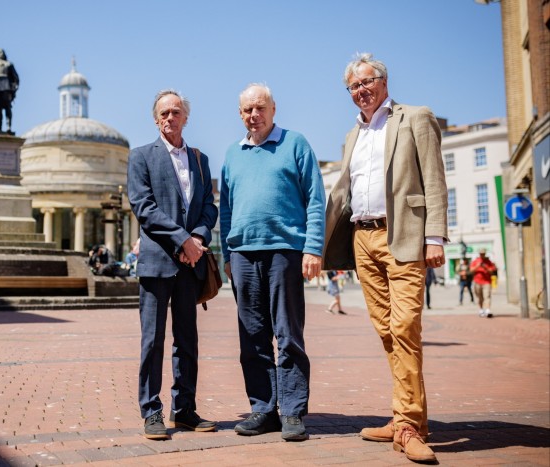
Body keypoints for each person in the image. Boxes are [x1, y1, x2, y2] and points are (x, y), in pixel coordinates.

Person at [323, 53, 448, 464]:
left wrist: (435, 236)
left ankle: (409, 425)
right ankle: (403, 417)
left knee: (406, 324)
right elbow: (344, 191)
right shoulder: (351, 136)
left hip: (405, 235)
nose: (360, 91)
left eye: (366, 82)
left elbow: (433, 176)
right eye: (353, 87)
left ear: (383, 80)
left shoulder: (415, 117)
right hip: (362, 239)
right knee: (387, 331)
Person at [220, 84, 325, 441]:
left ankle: (293, 411)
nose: (254, 114)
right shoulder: (233, 154)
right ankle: (263, 409)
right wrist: (226, 255)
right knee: (252, 335)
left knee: (288, 333)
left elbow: (315, 198)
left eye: (260, 107)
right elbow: (226, 209)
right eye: (247, 109)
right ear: (240, 114)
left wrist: (312, 248)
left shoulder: (295, 143)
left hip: (285, 251)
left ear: (273, 108)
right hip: (243, 254)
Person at [127, 89, 218, 440]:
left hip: (189, 265)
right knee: (152, 340)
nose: (170, 118)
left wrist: (197, 238)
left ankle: (185, 410)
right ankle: (151, 411)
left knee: (187, 341)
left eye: (176, 112)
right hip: (156, 263)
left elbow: (209, 206)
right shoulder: (141, 157)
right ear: (155, 118)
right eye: (164, 113)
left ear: (185, 117)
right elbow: (144, 206)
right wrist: (182, 239)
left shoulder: (199, 159)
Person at [470, 248, 497, 318]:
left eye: (483, 254)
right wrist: (477, 266)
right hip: (477, 282)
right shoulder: (475, 261)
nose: (482, 255)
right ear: (479, 254)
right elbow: (471, 271)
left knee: (487, 296)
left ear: (485, 254)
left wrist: (486, 268)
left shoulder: (489, 262)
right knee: (480, 297)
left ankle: (488, 310)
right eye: (481, 254)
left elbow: (492, 272)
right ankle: (481, 310)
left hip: (486, 282)